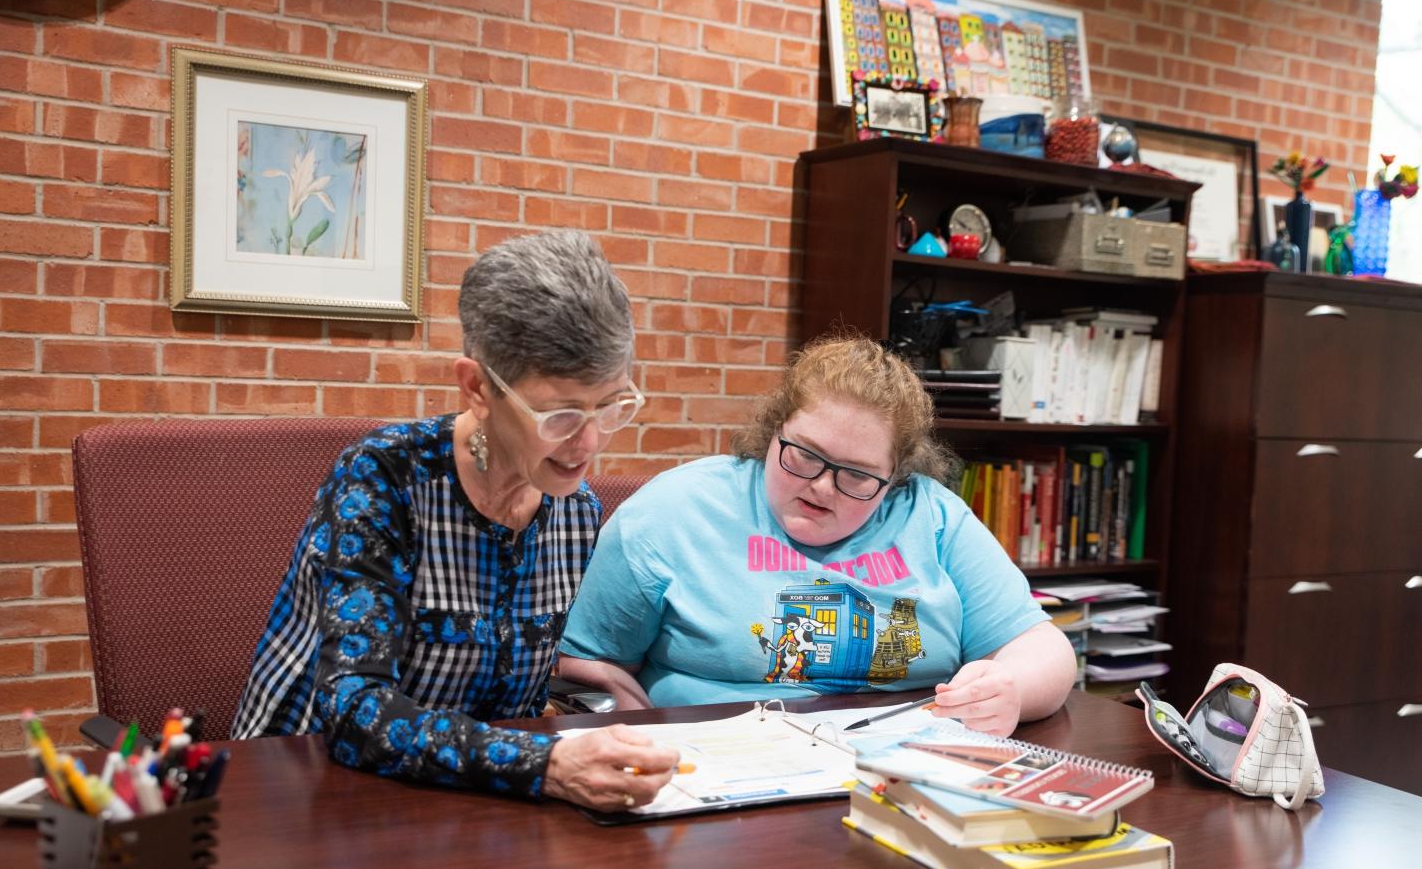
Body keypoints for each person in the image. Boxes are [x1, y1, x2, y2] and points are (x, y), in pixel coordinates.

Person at [232, 231, 678, 811]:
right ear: (477, 388)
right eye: (560, 413)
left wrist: (568, 671)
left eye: (611, 405)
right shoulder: (384, 480)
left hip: (463, 804)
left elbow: (500, 675)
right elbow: (353, 709)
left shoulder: (574, 510)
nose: (587, 442)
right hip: (303, 796)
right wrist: (545, 763)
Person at [557, 336, 1076, 738]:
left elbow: (1042, 648)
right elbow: (582, 669)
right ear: (773, 430)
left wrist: (1009, 689)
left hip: (901, 771)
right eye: (804, 454)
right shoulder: (671, 512)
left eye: (856, 475)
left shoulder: (932, 515)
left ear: (895, 479)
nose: (821, 487)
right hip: (718, 768)